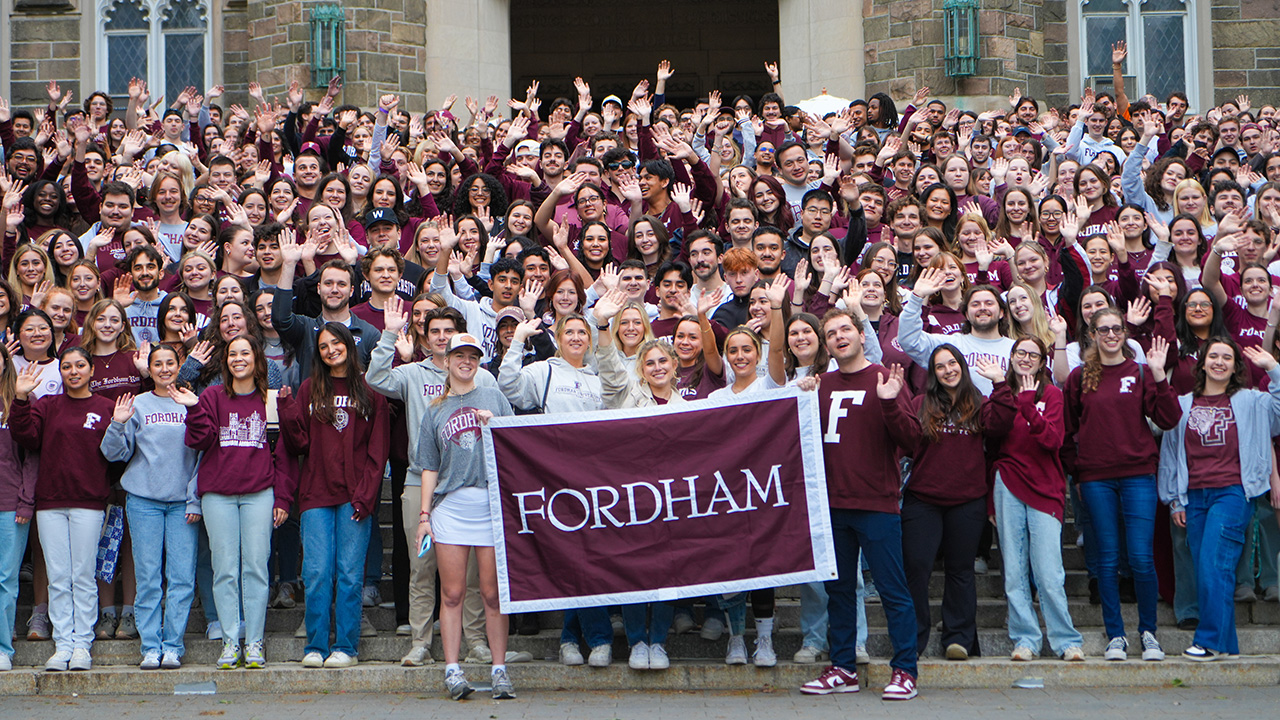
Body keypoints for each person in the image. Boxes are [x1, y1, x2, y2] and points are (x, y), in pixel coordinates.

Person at [797, 309, 918, 700]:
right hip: (832, 505)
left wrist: (889, 403)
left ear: (862, 335)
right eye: (831, 333)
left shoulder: (885, 378)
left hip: (877, 503)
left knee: (892, 590)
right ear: (826, 344)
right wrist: (801, 398)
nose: (839, 336)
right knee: (839, 592)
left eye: (845, 329)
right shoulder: (820, 384)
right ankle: (843, 668)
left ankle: (905, 671)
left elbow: (912, 440)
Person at [369, 296, 496, 666]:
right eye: (435, 331)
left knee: (472, 574)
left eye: (448, 331)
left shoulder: (482, 377)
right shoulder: (412, 374)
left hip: (469, 485)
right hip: (418, 481)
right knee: (421, 566)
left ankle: (476, 642)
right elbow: (375, 378)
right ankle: (420, 641)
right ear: (424, 337)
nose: (441, 337)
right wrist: (389, 336)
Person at [1064, 312, 1181, 662]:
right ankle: (1115, 634)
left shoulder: (1140, 372)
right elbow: (1067, 430)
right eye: (1104, 329)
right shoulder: (1080, 376)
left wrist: (1159, 375)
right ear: (1092, 334)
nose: (1111, 334)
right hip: (1096, 478)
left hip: (1138, 475)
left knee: (1142, 558)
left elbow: (1169, 418)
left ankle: (1148, 633)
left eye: (1117, 328)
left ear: (1125, 333)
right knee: (1107, 559)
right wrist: (1077, 471)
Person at [1159, 339, 1280, 660]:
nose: (1219, 362)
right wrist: (1175, 500)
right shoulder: (1183, 404)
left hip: (1232, 493)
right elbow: (1170, 452)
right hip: (1194, 496)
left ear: (1236, 366)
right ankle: (1226, 645)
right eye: (1213, 356)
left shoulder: (1251, 401)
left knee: (1215, 564)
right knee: (1208, 570)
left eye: (1227, 357)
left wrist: (1273, 369)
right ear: (1201, 363)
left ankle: (1209, 641)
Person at [174, 336, 290, 670]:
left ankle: (253, 641)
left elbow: (282, 455)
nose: (239, 359)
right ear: (225, 361)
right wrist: (194, 408)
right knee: (224, 570)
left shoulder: (270, 400)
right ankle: (229, 641)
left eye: (245, 353)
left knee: (256, 568)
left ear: (257, 359)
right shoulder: (212, 396)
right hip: (218, 495)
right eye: (232, 354)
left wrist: (283, 496)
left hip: (259, 492)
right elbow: (199, 440)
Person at [279, 323, 390, 669]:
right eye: (323, 346)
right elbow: (299, 443)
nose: (330, 350)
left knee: (350, 574)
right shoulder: (310, 388)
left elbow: (378, 450)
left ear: (348, 345)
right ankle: (316, 645)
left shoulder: (371, 389)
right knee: (316, 573)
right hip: (316, 494)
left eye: (336, 343)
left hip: (355, 497)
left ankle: (346, 647)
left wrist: (366, 496)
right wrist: (286, 409)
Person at [881, 344, 1002, 661]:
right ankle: (912, 639)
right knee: (916, 568)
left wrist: (1000, 384)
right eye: (940, 366)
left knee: (961, 570)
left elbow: (1001, 425)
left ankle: (958, 638)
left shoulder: (979, 402)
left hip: (968, 500)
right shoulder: (921, 403)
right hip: (924, 499)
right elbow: (905, 439)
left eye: (952, 363)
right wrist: (891, 404)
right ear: (933, 374)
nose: (948, 370)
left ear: (962, 365)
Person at [414, 333, 516, 701]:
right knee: (453, 592)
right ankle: (452, 669)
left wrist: (495, 427)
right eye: (459, 355)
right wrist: (424, 515)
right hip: (452, 507)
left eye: (473, 356)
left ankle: (499, 669)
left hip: (490, 505)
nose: (466, 362)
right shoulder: (435, 410)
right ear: (446, 360)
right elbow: (428, 467)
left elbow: (518, 445)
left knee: (493, 593)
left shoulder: (493, 397)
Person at [592, 288, 686, 669]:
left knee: (667, 570)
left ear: (675, 366)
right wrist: (602, 325)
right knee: (632, 570)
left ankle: (658, 641)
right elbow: (610, 368)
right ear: (642, 370)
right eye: (650, 363)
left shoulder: (688, 408)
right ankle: (636, 643)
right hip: (631, 496)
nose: (657, 368)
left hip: (671, 499)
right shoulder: (627, 394)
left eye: (663, 361)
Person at [11, 347, 115, 672]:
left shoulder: (106, 407)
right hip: (51, 503)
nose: (73, 371)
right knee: (58, 577)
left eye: (80, 365)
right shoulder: (47, 405)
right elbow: (26, 437)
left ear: (91, 370)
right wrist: (21, 399)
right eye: (67, 366)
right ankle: (63, 644)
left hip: (89, 502)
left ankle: (82, 644)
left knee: (83, 575)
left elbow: (117, 456)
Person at [99, 345, 202, 670]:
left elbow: (203, 455)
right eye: (158, 364)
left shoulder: (192, 401)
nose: (164, 369)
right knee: (148, 577)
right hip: (144, 500)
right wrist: (117, 424)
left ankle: (173, 646)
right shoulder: (139, 404)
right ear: (150, 369)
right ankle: (150, 646)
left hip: (182, 503)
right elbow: (114, 453)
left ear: (179, 366)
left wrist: (195, 498)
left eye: (170, 363)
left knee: (181, 577)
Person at [986, 336, 1086, 661]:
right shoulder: (1000, 393)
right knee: (1014, 570)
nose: (1026, 358)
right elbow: (991, 446)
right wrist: (990, 501)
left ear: (1043, 362)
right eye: (1021, 352)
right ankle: (1025, 639)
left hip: (1046, 487)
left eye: (1033, 354)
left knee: (1048, 571)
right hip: (1007, 482)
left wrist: (1029, 406)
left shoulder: (1052, 394)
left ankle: (1066, 640)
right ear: (1011, 357)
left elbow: (1053, 440)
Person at [0, 346, 30, 672]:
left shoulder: (17, 401)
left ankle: (2, 648)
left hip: (10, 502)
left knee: (6, 579)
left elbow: (31, 458)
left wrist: (26, 498)